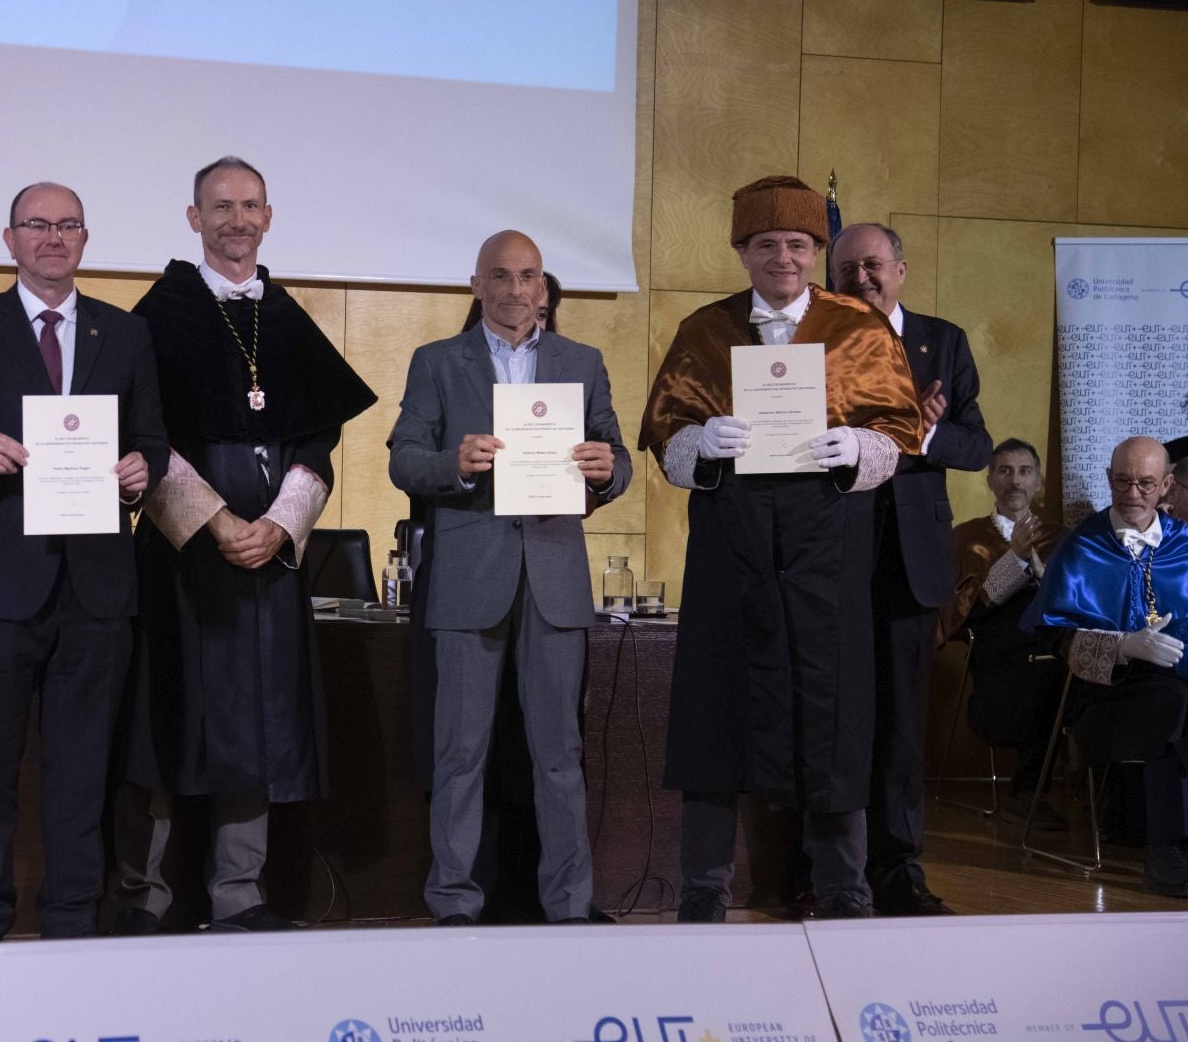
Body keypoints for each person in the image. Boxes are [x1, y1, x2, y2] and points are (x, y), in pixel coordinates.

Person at [639, 175, 923, 922]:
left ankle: (844, 891)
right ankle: (704, 892)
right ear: (742, 251)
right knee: (714, 716)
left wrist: (856, 444)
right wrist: (703, 442)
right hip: (731, 557)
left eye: (799, 245)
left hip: (826, 557)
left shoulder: (861, 330)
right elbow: (665, 439)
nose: (784, 259)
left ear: (816, 249)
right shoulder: (706, 329)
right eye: (767, 245)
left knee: (833, 718)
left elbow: (900, 436)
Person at [115, 156, 376, 933]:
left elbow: (315, 444)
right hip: (184, 555)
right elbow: (143, 438)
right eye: (220, 207)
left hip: (269, 561)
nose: (236, 219)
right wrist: (218, 522)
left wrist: (281, 524)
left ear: (269, 217)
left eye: (250, 206)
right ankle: (147, 898)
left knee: (255, 723)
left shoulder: (286, 317)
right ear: (193, 219)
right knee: (166, 721)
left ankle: (240, 894)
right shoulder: (157, 314)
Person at [0, 181, 168, 941]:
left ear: (85, 240)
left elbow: (152, 438)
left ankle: (71, 925)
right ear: (9, 239)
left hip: (95, 590)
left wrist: (139, 469)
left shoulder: (125, 335)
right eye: (37, 225)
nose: (52, 237)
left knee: (84, 774)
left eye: (67, 226)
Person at [389, 229, 631, 925]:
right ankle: (454, 902)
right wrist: (454, 463)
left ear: (545, 286)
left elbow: (617, 456)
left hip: (553, 573)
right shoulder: (437, 362)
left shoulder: (580, 361)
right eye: (502, 276)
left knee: (560, 752)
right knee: (459, 751)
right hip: (469, 572)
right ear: (477, 285)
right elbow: (405, 457)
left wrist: (606, 470)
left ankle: (570, 904)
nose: (518, 290)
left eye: (530, 276)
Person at [830, 222, 992, 916]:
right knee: (837, 719)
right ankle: (831, 868)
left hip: (910, 562)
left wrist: (920, 432)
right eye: (846, 270)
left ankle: (898, 871)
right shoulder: (815, 338)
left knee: (900, 724)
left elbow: (977, 444)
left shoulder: (943, 340)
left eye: (873, 265)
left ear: (900, 269)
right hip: (831, 555)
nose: (860, 279)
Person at [1024, 435, 1188, 897]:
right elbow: (1059, 641)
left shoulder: (1185, 545)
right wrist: (1124, 647)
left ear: (1167, 486)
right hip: (1103, 698)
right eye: (1122, 482)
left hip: (1176, 686)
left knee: (1177, 701)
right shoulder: (1082, 547)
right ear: (1108, 479)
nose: (1133, 494)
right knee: (1171, 703)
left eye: (1146, 484)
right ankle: (1164, 851)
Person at [939, 438, 1067, 825]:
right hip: (999, 649)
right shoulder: (967, 538)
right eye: (1005, 471)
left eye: (1025, 471)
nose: (1015, 480)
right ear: (990, 480)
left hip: (1056, 639)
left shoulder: (1062, 538)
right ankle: (1027, 793)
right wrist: (1015, 558)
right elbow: (969, 609)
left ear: (1039, 482)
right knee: (1047, 673)